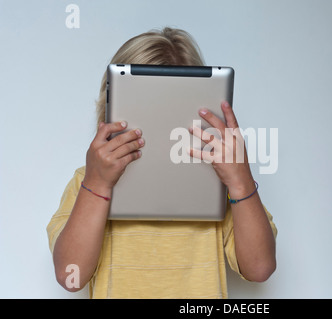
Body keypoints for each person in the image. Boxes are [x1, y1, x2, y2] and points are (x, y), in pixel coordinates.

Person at [46, 27, 277, 299]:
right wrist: (97, 185)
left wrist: (241, 182)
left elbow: (260, 268)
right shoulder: (87, 181)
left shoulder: (222, 185)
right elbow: (70, 276)